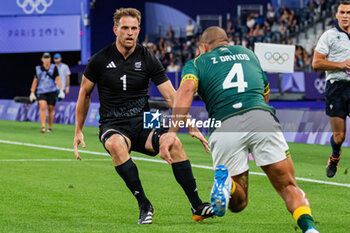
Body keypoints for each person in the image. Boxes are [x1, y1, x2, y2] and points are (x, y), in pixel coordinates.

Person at [160, 27, 319, 233]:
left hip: (224, 126)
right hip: (261, 119)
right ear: (227, 41)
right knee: (288, 186)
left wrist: (172, 132)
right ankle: (309, 229)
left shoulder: (197, 62)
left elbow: (187, 89)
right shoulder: (249, 55)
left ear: (204, 46)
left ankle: (229, 185)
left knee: (238, 203)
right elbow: (264, 92)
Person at [73, 8, 213, 225]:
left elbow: (171, 96)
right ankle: (144, 205)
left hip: (144, 122)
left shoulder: (148, 58)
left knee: (174, 142)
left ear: (139, 30)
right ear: (115, 30)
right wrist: (78, 130)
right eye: (125, 28)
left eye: (134, 28)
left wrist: (191, 126)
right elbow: (84, 93)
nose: (130, 33)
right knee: (117, 144)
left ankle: (197, 205)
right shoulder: (99, 60)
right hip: (113, 124)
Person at [312, 0, 350, 178]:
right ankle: (335, 156)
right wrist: (341, 65)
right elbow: (316, 63)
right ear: (336, 15)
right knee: (339, 136)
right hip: (336, 88)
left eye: (348, 13)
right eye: (342, 12)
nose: (345, 16)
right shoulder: (329, 36)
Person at [29, 52, 65, 133]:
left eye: (48, 58)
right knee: (42, 107)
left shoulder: (54, 68)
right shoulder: (38, 69)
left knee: (50, 109)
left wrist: (61, 90)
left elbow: (58, 79)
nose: (46, 59)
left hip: (52, 91)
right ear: (42, 59)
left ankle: (49, 127)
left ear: (50, 59)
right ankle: (43, 127)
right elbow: (35, 81)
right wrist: (32, 92)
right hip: (41, 91)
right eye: (45, 58)